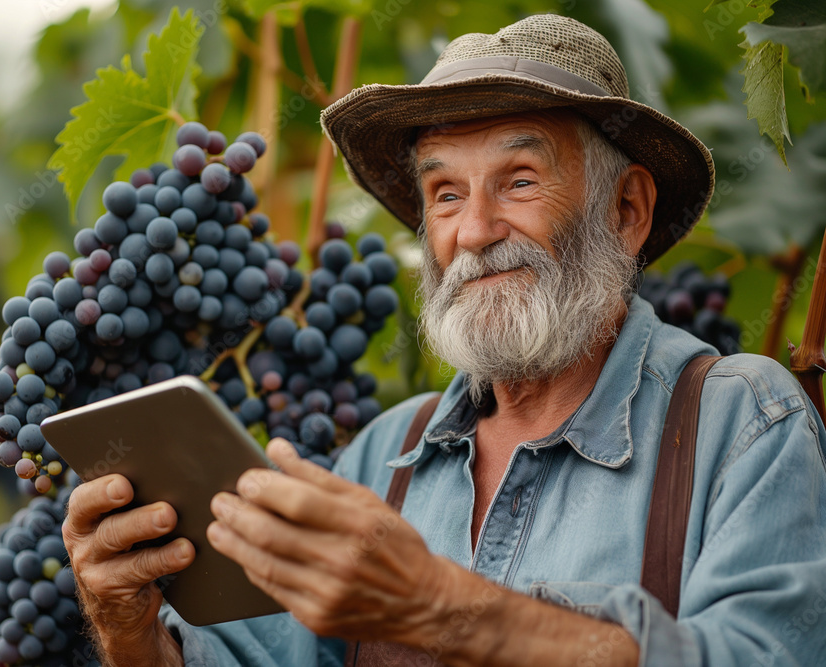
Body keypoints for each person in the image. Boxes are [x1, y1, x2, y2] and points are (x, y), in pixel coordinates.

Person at [62, 14, 826, 666]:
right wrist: (129, 631)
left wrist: (441, 605)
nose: (475, 232)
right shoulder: (384, 455)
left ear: (625, 210)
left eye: (520, 180)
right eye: (445, 194)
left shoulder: (742, 423)